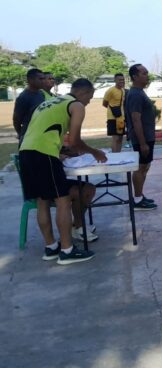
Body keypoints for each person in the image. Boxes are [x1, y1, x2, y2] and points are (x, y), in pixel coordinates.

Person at [18, 79, 107, 264]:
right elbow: (74, 141)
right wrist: (94, 151)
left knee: (42, 201)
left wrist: (60, 152)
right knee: (63, 200)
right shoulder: (76, 105)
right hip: (44, 155)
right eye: (90, 98)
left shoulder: (48, 102)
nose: (89, 102)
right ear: (82, 93)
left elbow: (40, 131)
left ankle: (51, 248)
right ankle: (67, 250)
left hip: (26, 152)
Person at [125, 63, 157, 210]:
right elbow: (136, 119)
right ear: (134, 77)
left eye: (146, 73)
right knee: (140, 167)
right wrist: (142, 143)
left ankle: (139, 196)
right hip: (142, 138)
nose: (146, 76)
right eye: (143, 73)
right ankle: (137, 200)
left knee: (145, 166)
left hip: (147, 136)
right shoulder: (136, 94)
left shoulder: (139, 92)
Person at [12, 68, 45, 143]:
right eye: (40, 79)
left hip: (40, 133)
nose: (43, 81)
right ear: (30, 80)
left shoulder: (41, 94)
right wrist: (21, 134)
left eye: (43, 78)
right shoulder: (23, 97)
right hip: (28, 135)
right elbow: (16, 120)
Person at [102, 73, 127, 152]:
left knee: (120, 137)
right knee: (115, 138)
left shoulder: (123, 90)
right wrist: (113, 110)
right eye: (120, 80)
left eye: (123, 80)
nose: (122, 81)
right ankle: (114, 155)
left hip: (121, 118)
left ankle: (118, 154)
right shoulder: (110, 90)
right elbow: (104, 103)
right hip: (112, 117)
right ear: (115, 80)